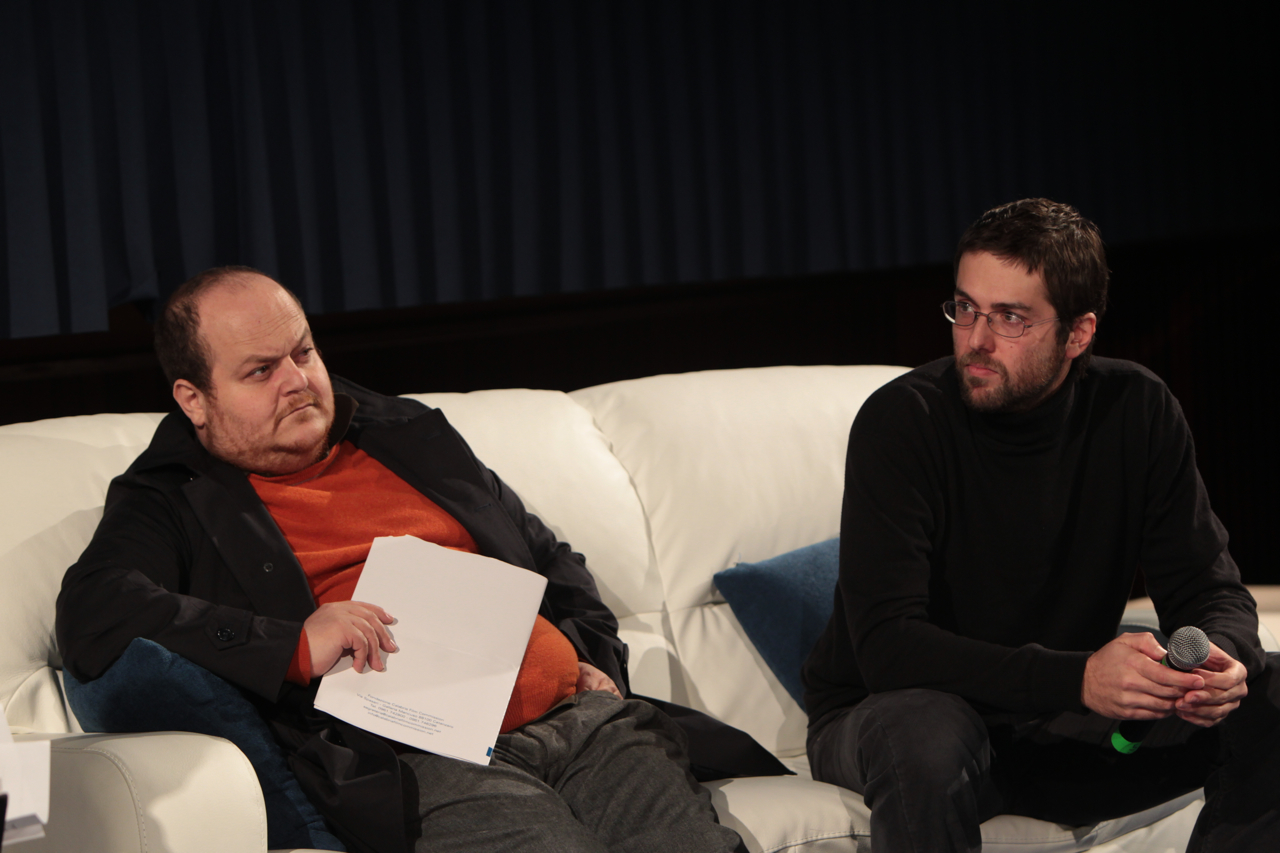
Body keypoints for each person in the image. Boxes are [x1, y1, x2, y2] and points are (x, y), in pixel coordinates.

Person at [56, 267, 744, 853]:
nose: (297, 381)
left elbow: (547, 555)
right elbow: (96, 606)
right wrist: (291, 644)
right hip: (421, 762)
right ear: (194, 399)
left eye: (303, 352)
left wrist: (592, 657)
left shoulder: (405, 433)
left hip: (586, 723)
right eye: (261, 371)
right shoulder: (172, 495)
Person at [801, 198, 1279, 852]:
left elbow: (1208, 589)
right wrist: (1079, 677)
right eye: (964, 308)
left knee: (1271, 693)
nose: (976, 338)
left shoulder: (1136, 409)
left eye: (1010, 318)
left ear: (1078, 334)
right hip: (899, 712)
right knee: (925, 732)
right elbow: (889, 648)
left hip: (1059, 723)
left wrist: (1220, 660)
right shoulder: (902, 422)